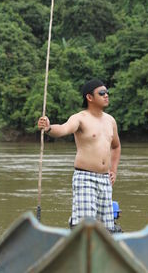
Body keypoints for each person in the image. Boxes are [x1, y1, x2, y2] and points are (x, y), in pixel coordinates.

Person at [38, 79, 121, 232]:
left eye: (107, 92)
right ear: (89, 97)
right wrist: (49, 127)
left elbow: (116, 147)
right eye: (102, 93)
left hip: (105, 180)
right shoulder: (80, 118)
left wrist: (114, 170)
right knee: (85, 226)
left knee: (107, 229)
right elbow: (63, 129)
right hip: (85, 178)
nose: (106, 95)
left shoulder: (110, 121)